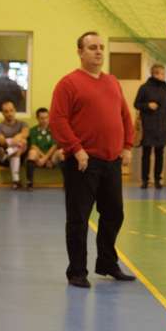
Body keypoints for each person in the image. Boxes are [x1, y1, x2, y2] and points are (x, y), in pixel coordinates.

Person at [50, 31, 136, 289]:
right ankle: (77, 271)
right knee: (79, 219)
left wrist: (127, 146)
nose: (98, 51)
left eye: (101, 47)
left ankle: (107, 263)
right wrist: (76, 149)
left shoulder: (112, 82)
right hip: (82, 162)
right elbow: (58, 120)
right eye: (92, 47)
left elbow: (124, 116)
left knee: (114, 214)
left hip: (111, 161)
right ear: (80, 52)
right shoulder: (68, 84)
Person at [134, 63, 166, 189]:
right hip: (148, 125)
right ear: (154, 74)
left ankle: (158, 180)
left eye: (164, 73)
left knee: (160, 154)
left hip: (162, 126)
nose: (164, 76)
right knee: (146, 154)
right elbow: (136, 104)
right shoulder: (144, 88)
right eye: (162, 73)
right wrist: (147, 105)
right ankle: (145, 180)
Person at [25, 107, 64, 190]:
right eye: (42, 118)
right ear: (37, 118)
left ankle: (67, 182)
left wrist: (46, 159)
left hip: (52, 158)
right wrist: (44, 159)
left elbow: (55, 145)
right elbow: (33, 146)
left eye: (46, 117)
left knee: (61, 152)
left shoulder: (54, 129)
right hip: (39, 158)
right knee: (32, 152)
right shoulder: (33, 130)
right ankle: (29, 183)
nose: (45, 120)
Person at [0, 100, 28, 189]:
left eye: (11, 110)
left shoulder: (22, 123)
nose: (9, 113)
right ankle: (15, 181)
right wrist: (14, 140)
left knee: (24, 142)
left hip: (20, 155)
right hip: (4, 157)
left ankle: (6, 153)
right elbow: (1, 141)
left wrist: (18, 137)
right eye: (6, 111)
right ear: (2, 113)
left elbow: (25, 133)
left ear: (15, 110)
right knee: (21, 144)